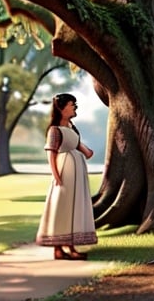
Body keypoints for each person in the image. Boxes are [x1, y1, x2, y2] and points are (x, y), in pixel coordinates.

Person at [35, 93, 97, 260]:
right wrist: (56, 175)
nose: (75, 107)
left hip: (77, 175)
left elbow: (78, 146)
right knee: (63, 208)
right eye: (72, 104)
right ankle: (59, 249)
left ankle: (70, 247)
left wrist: (87, 152)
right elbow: (51, 153)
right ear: (61, 108)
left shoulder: (71, 127)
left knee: (73, 208)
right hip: (64, 173)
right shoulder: (54, 130)